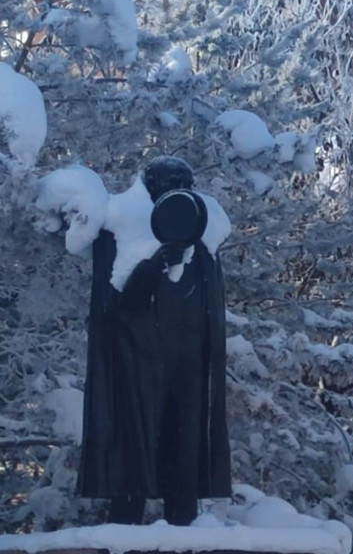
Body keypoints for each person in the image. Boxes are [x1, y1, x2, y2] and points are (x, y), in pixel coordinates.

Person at [77, 156, 231, 525]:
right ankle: (122, 540)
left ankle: (184, 540)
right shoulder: (120, 224)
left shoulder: (201, 230)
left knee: (185, 464)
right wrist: (155, 264)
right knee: (132, 461)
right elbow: (112, 309)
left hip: (188, 367)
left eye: (183, 181)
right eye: (168, 181)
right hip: (137, 367)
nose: (176, 187)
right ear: (150, 185)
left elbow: (210, 305)